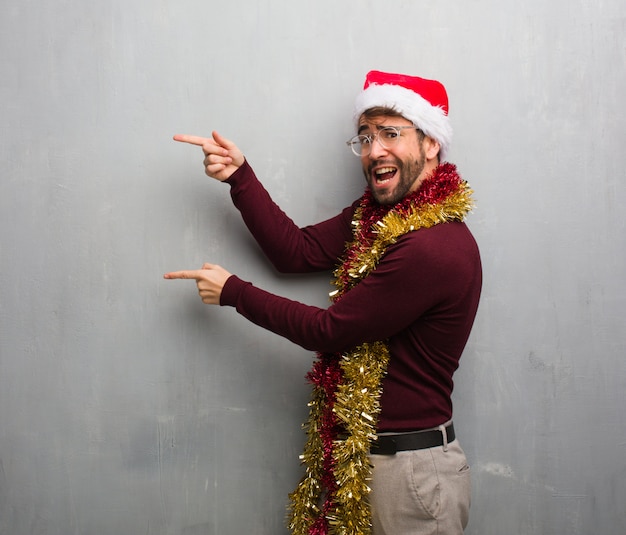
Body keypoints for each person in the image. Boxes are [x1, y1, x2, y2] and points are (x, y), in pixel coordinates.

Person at [164, 70, 482, 535]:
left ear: (431, 142)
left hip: (410, 473)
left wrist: (235, 293)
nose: (375, 151)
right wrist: (240, 177)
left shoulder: (433, 247)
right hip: (358, 456)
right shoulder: (374, 216)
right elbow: (296, 252)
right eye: (366, 137)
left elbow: (331, 330)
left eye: (391, 133)